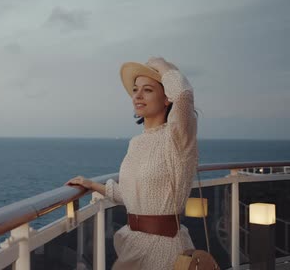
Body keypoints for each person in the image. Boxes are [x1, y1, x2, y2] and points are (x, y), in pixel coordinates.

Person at [66, 57, 198, 269]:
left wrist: (162, 65)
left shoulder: (177, 137)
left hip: (163, 247)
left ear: (167, 99)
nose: (137, 95)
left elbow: (184, 97)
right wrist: (91, 185)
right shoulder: (136, 143)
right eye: (135, 90)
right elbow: (130, 196)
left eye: (148, 90)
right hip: (133, 242)